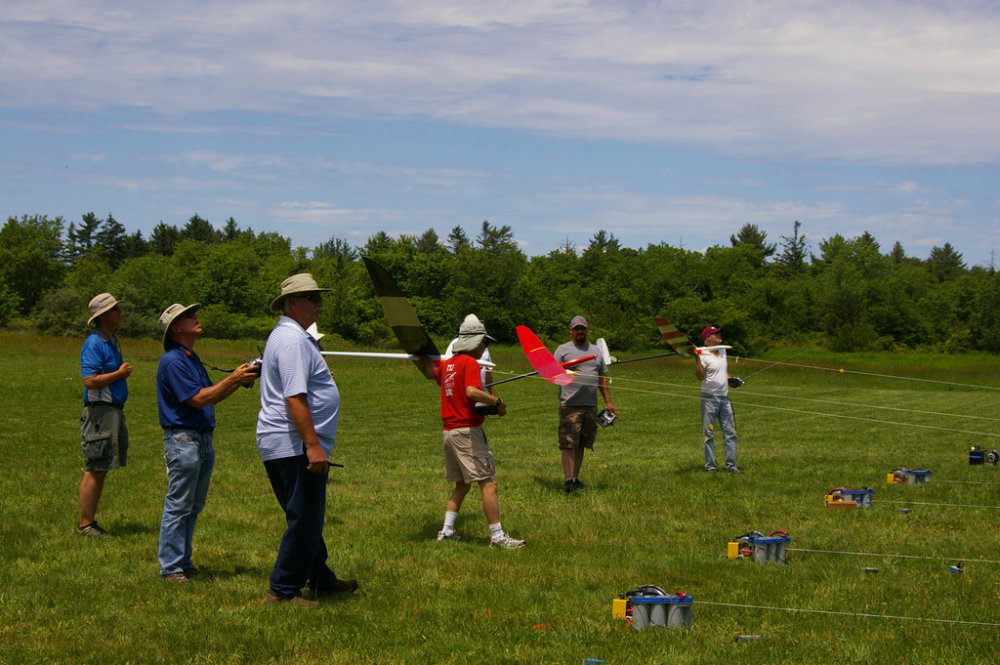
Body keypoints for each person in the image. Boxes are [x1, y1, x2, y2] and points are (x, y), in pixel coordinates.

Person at [256, 274, 358, 607]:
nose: (320, 304)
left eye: (319, 297)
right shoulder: (292, 341)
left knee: (305, 516)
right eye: (312, 298)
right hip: (294, 446)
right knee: (305, 520)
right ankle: (283, 591)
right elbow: (295, 397)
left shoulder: (291, 337)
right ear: (292, 303)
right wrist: (312, 446)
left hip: (286, 444)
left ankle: (323, 581)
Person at [155, 303, 258, 583]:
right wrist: (233, 378)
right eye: (189, 316)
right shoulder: (174, 361)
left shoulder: (190, 357)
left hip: (200, 439)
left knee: (193, 505)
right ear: (176, 328)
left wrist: (239, 379)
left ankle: (183, 562)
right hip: (184, 439)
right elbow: (197, 399)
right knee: (179, 504)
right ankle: (171, 567)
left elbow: (211, 395)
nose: (195, 317)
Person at [421, 315, 524, 549]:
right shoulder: (469, 363)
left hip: (449, 433)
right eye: (484, 342)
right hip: (467, 432)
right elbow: (471, 391)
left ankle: (446, 531)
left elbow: (432, 372)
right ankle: (497, 537)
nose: (485, 347)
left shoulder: (447, 365)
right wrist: (497, 402)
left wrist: (424, 356)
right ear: (475, 342)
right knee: (488, 483)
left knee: (462, 485)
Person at [77, 293, 132, 537]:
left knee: (102, 467)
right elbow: (90, 381)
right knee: (96, 467)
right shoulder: (94, 343)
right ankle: (85, 524)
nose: (119, 313)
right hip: (100, 412)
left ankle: (89, 522)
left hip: (112, 411)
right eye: (114, 310)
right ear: (102, 317)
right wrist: (119, 374)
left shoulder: (112, 340)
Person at [553, 316, 615, 493]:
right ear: (571, 330)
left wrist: (608, 402)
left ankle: (575, 479)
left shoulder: (596, 351)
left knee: (582, 443)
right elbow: (551, 372)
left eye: (583, 328)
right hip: (570, 404)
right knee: (568, 443)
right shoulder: (563, 350)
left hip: (590, 405)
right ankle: (568, 481)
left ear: (587, 330)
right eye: (576, 328)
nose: (580, 331)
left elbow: (602, 377)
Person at [692, 326, 740, 473]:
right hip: (709, 398)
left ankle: (731, 465)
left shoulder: (722, 351)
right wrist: (696, 358)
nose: (720, 335)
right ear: (709, 338)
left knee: (730, 432)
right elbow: (700, 376)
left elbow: (723, 372)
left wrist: (732, 380)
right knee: (709, 434)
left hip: (724, 398)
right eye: (716, 333)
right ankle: (711, 466)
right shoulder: (703, 355)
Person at [445, 314, 494, 397]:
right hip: (462, 392)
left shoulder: (483, 345)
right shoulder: (454, 343)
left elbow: (488, 373)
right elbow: (448, 370)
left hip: (481, 391)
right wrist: (471, 368)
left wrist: (493, 396)